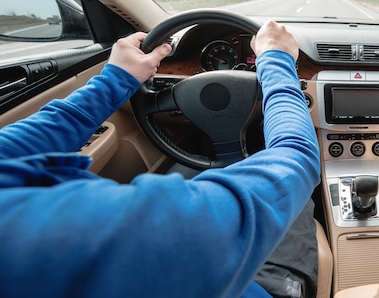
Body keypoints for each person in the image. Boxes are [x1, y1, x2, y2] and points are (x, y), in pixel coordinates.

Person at [0, 20, 321, 298]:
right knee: (298, 203)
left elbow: (22, 143)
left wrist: (117, 78)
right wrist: (276, 63)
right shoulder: (104, 235)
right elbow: (294, 159)